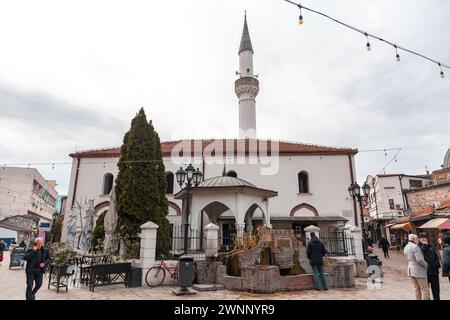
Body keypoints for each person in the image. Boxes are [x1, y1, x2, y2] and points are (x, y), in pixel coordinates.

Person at [404, 233, 429, 300]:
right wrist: (426, 265)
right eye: (417, 239)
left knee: (416, 289)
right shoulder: (415, 247)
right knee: (424, 290)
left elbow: (406, 260)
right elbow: (419, 259)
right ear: (414, 239)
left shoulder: (406, 247)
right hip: (418, 271)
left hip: (410, 270)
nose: (417, 240)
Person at [418, 233, 441, 300]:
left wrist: (437, 265)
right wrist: (424, 245)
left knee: (436, 289)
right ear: (419, 239)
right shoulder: (418, 247)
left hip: (434, 271)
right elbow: (421, 254)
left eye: (425, 238)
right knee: (426, 290)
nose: (424, 239)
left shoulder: (431, 246)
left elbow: (436, 256)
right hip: (425, 272)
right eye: (423, 238)